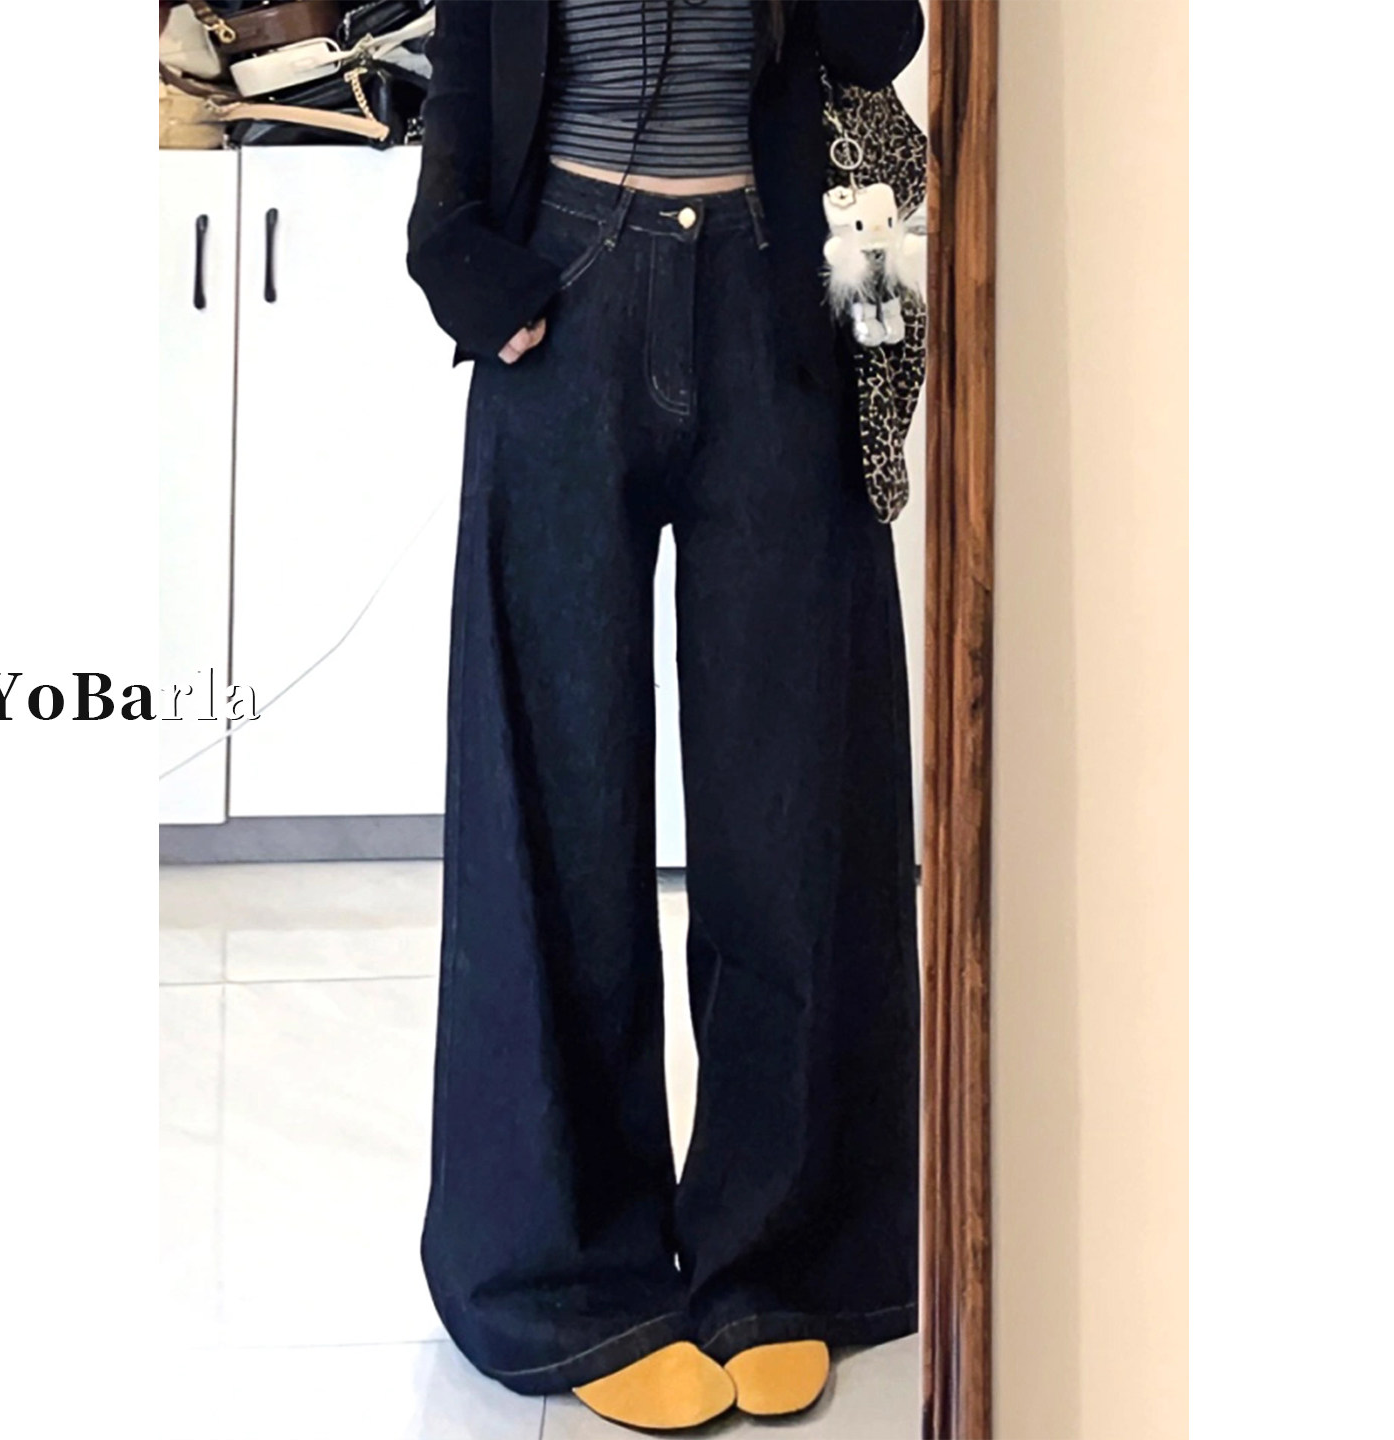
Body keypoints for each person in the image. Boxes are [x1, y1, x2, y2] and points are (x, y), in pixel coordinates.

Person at [406, 1, 926, 1428]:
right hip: (566, 292)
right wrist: (457, 257)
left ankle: (786, 1256)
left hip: (777, 292)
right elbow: (470, 65)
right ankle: (567, 1273)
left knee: (793, 796)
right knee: (556, 800)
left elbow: (881, 37)